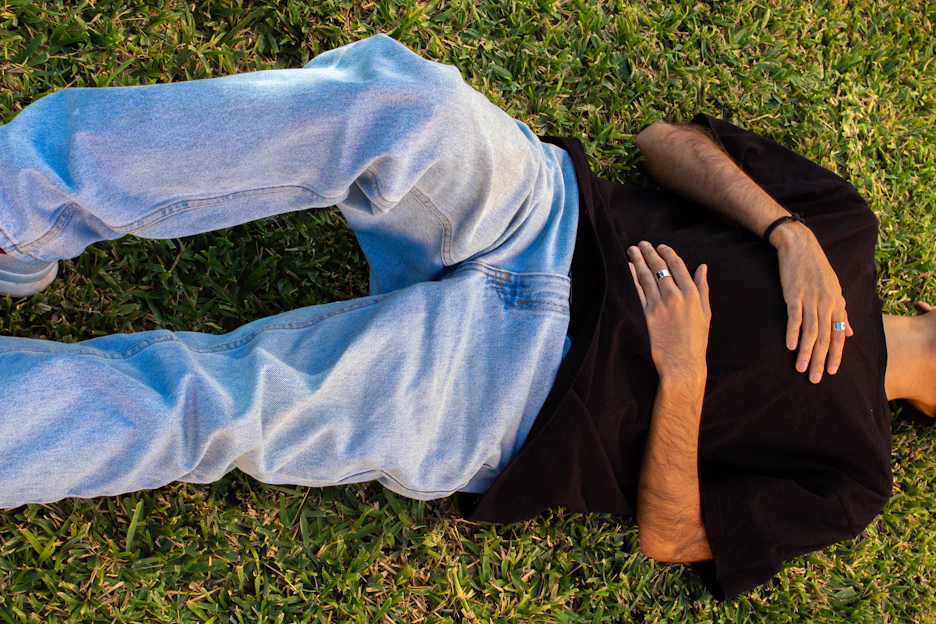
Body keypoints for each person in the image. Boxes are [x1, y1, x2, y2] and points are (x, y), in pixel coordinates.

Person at [0, 34, 932, 600]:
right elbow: (667, 142)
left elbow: (675, 538)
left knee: (218, 406)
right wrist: (785, 228)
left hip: (507, 400)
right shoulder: (844, 228)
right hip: (549, 214)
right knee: (406, 101)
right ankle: (19, 208)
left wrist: (683, 376)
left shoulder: (854, 476)